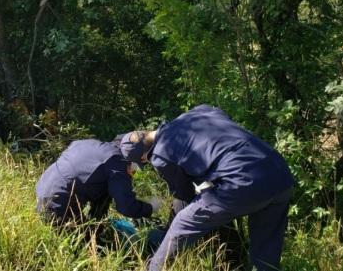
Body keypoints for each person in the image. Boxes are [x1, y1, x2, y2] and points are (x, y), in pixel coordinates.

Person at [119, 104, 294, 271]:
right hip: (278, 171)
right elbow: (221, 120)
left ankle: (153, 268)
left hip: (241, 181)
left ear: (143, 157)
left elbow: (185, 194)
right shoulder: (195, 114)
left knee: (182, 223)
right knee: (266, 249)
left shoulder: (159, 156)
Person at [35, 139, 161, 227]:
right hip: (56, 209)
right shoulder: (119, 163)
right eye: (136, 167)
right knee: (97, 244)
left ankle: (95, 226)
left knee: (103, 196)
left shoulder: (88, 144)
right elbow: (126, 207)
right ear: (133, 156)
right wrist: (150, 208)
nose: (134, 172)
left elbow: (100, 192)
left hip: (41, 194)